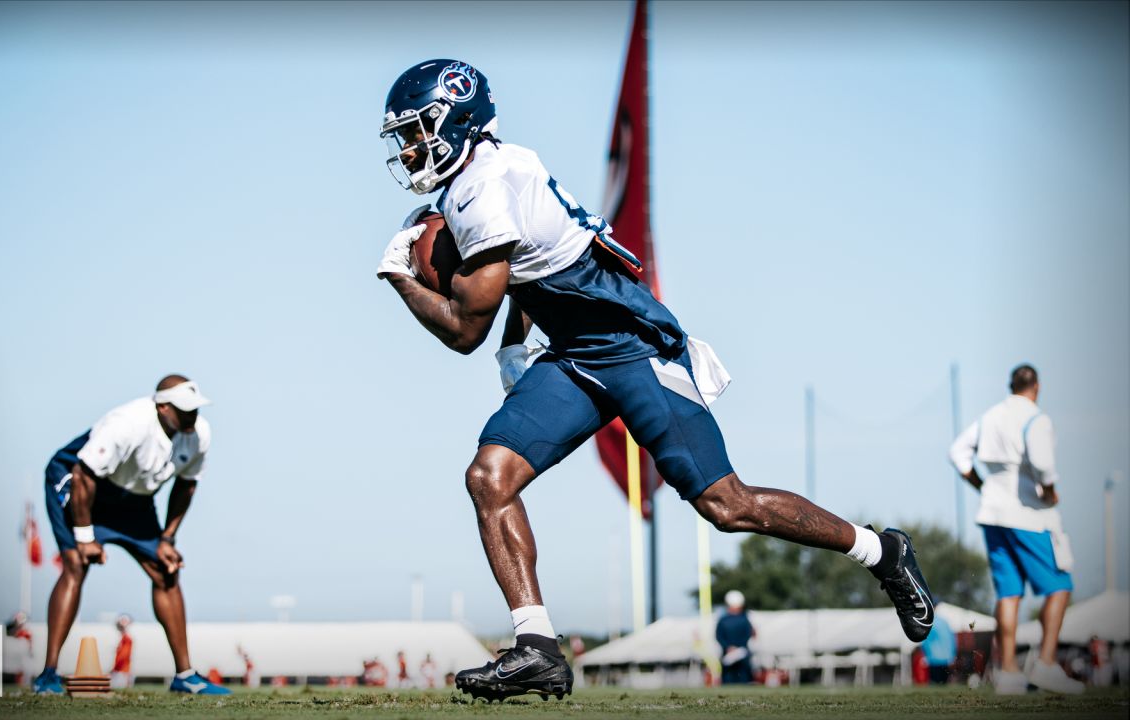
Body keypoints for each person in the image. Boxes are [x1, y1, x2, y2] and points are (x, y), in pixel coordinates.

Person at [376, 58, 935, 702]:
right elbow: (522, 274)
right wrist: (516, 350)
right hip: (575, 355)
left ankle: (881, 551)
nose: (413, 148)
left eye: (420, 130)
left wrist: (399, 277)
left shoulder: (484, 189)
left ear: (459, 120)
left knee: (728, 506)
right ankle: (537, 648)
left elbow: (463, 328)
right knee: (489, 477)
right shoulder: (488, 172)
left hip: (632, 349)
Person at [32, 375, 229, 695]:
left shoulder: (199, 434)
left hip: (133, 499)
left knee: (166, 571)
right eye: (184, 410)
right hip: (81, 485)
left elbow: (186, 484)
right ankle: (48, 675)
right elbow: (83, 476)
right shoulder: (127, 423)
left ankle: (186, 677)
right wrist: (84, 538)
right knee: (75, 567)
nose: (192, 416)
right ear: (162, 406)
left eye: (195, 409)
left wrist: (167, 539)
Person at [949, 364, 1082, 695]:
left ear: (1011, 385)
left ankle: (1008, 672)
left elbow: (957, 453)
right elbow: (1043, 465)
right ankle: (1047, 663)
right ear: (1036, 386)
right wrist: (1050, 494)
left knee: (1008, 593)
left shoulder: (991, 416)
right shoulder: (1036, 418)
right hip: (1028, 514)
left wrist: (981, 484)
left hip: (992, 511)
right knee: (1060, 585)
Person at [716, 590, 755, 684]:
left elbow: (719, 636)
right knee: (732, 677)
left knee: (741, 677)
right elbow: (747, 635)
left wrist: (729, 647)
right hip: (732, 654)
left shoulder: (724, 620)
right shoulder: (744, 619)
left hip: (738, 654)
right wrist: (731, 647)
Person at [921, 598, 956, 685]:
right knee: (943, 684)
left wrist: (925, 655)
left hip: (933, 659)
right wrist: (952, 656)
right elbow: (953, 641)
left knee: (935, 683)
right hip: (946, 659)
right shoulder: (945, 622)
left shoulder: (928, 622)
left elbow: (925, 641)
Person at [111, 614, 134, 689]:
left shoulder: (126, 639)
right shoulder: (124, 638)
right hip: (120, 670)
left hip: (122, 671)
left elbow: (123, 656)